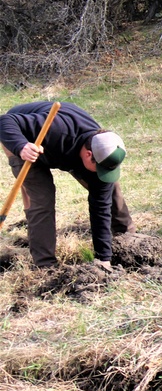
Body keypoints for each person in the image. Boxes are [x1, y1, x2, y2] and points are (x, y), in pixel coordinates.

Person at [0, 101, 132, 268]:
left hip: (65, 151)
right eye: (99, 167)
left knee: (109, 188)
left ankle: (128, 240)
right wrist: (21, 146)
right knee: (42, 198)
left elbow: (101, 208)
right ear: (88, 154)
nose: (101, 173)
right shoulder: (57, 130)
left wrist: (103, 258)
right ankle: (45, 264)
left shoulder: (103, 149)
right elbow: (5, 120)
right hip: (24, 139)